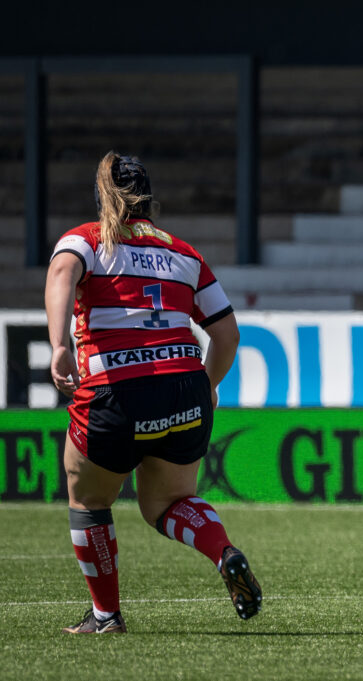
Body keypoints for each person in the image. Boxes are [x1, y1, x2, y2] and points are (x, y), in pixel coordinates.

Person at [46, 152, 262, 634]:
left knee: (89, 502)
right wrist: (206, 385)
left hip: (115, 390)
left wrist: (60, 345)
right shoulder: (185, 253)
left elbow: (62, 274)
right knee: (167, 504)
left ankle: (106, 616)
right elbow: (227, 336)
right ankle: (223, 552)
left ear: (103, 195)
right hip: (182, 389)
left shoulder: (85, 239)